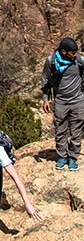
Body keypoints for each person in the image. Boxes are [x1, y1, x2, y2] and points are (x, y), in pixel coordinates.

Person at [41, 37, 84, 171]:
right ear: (64, 51)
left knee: (76, 132)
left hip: (78, 101)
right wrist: (45, 99)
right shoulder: (52, 61)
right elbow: (45, 80)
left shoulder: (80, 61)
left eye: (76, 52)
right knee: (60, 130)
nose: (75, 55)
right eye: (72, 52)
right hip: (60, 102)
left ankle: (73, 157)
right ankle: (62, 156)